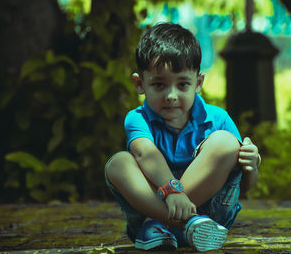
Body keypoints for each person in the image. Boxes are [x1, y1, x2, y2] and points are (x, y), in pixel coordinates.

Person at [105, 22, 261, 252]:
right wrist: (172, 191)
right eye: (159, 84)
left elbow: (244, 187)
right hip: (167, 218)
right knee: (118, 163)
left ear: (198, 83)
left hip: (209, 217)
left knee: (226, 143)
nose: (171, 95)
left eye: (183, 84)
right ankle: (179, 224)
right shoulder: (137, 119)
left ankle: (161, 222)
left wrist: (252, 165)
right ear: (140, 84)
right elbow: (145, 153)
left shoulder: (218, 119)